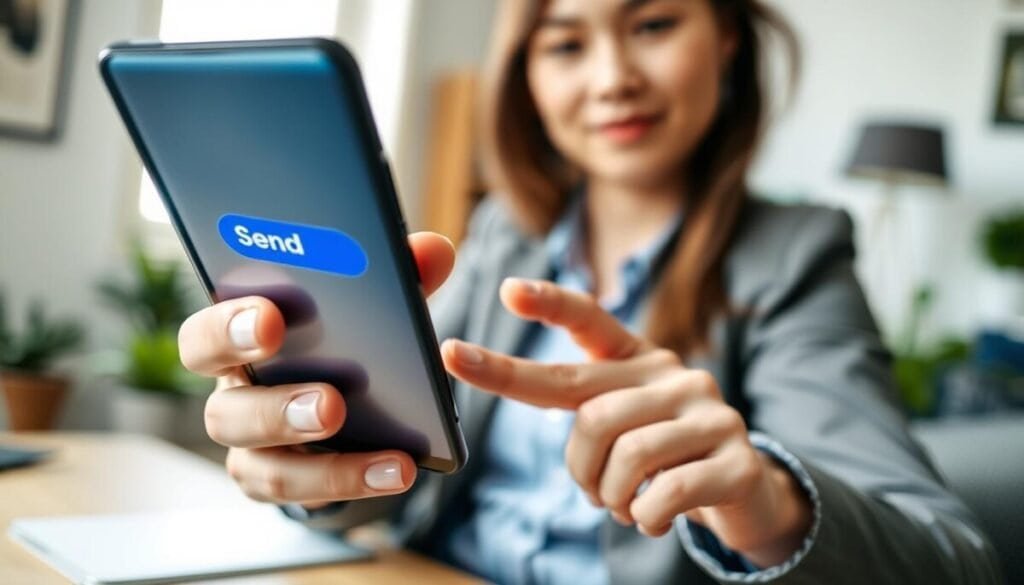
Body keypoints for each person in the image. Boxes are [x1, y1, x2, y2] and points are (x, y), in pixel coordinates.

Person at [178, 0, 1003, 582]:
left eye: (652, 23)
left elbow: (956, 560)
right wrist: (320, 453)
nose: (611, 78)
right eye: (566, 42)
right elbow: (404, 478)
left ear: (725, 38)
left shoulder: (795, 254)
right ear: (527, 75)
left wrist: (768, 499)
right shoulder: (505, 230)